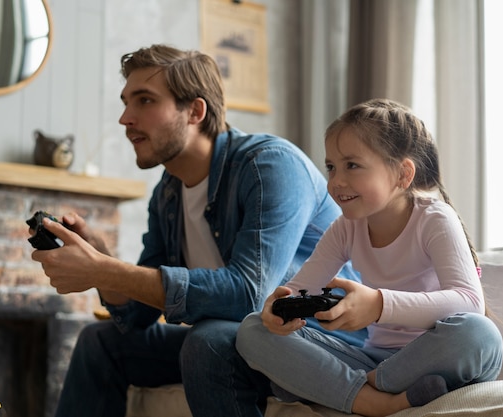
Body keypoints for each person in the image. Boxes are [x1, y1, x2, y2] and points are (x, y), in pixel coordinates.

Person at [30, 44, 366, 417]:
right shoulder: (168, 192)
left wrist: (104, 270)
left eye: (144, 100)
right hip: (239, 340)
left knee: (208, 339)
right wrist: (101, 258)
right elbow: (139, 316)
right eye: (126, 102)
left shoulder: (270, 165)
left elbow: (249, 296)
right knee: (100, 341)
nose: (125, 117)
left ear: (195, 111)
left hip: (316, 338)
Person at [236, 98, 503, 416]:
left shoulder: (435, 219)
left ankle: (349, 389)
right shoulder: (345, 228)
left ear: (403, 175)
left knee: (479, 334)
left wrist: (378, 305)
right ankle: (378, 401)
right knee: (252, 329)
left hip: (427, 357)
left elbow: (469, 303)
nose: (336, 181)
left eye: (352, 165)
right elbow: (297, 290)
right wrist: (275, 309)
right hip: (373, 359)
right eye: (331, 167)